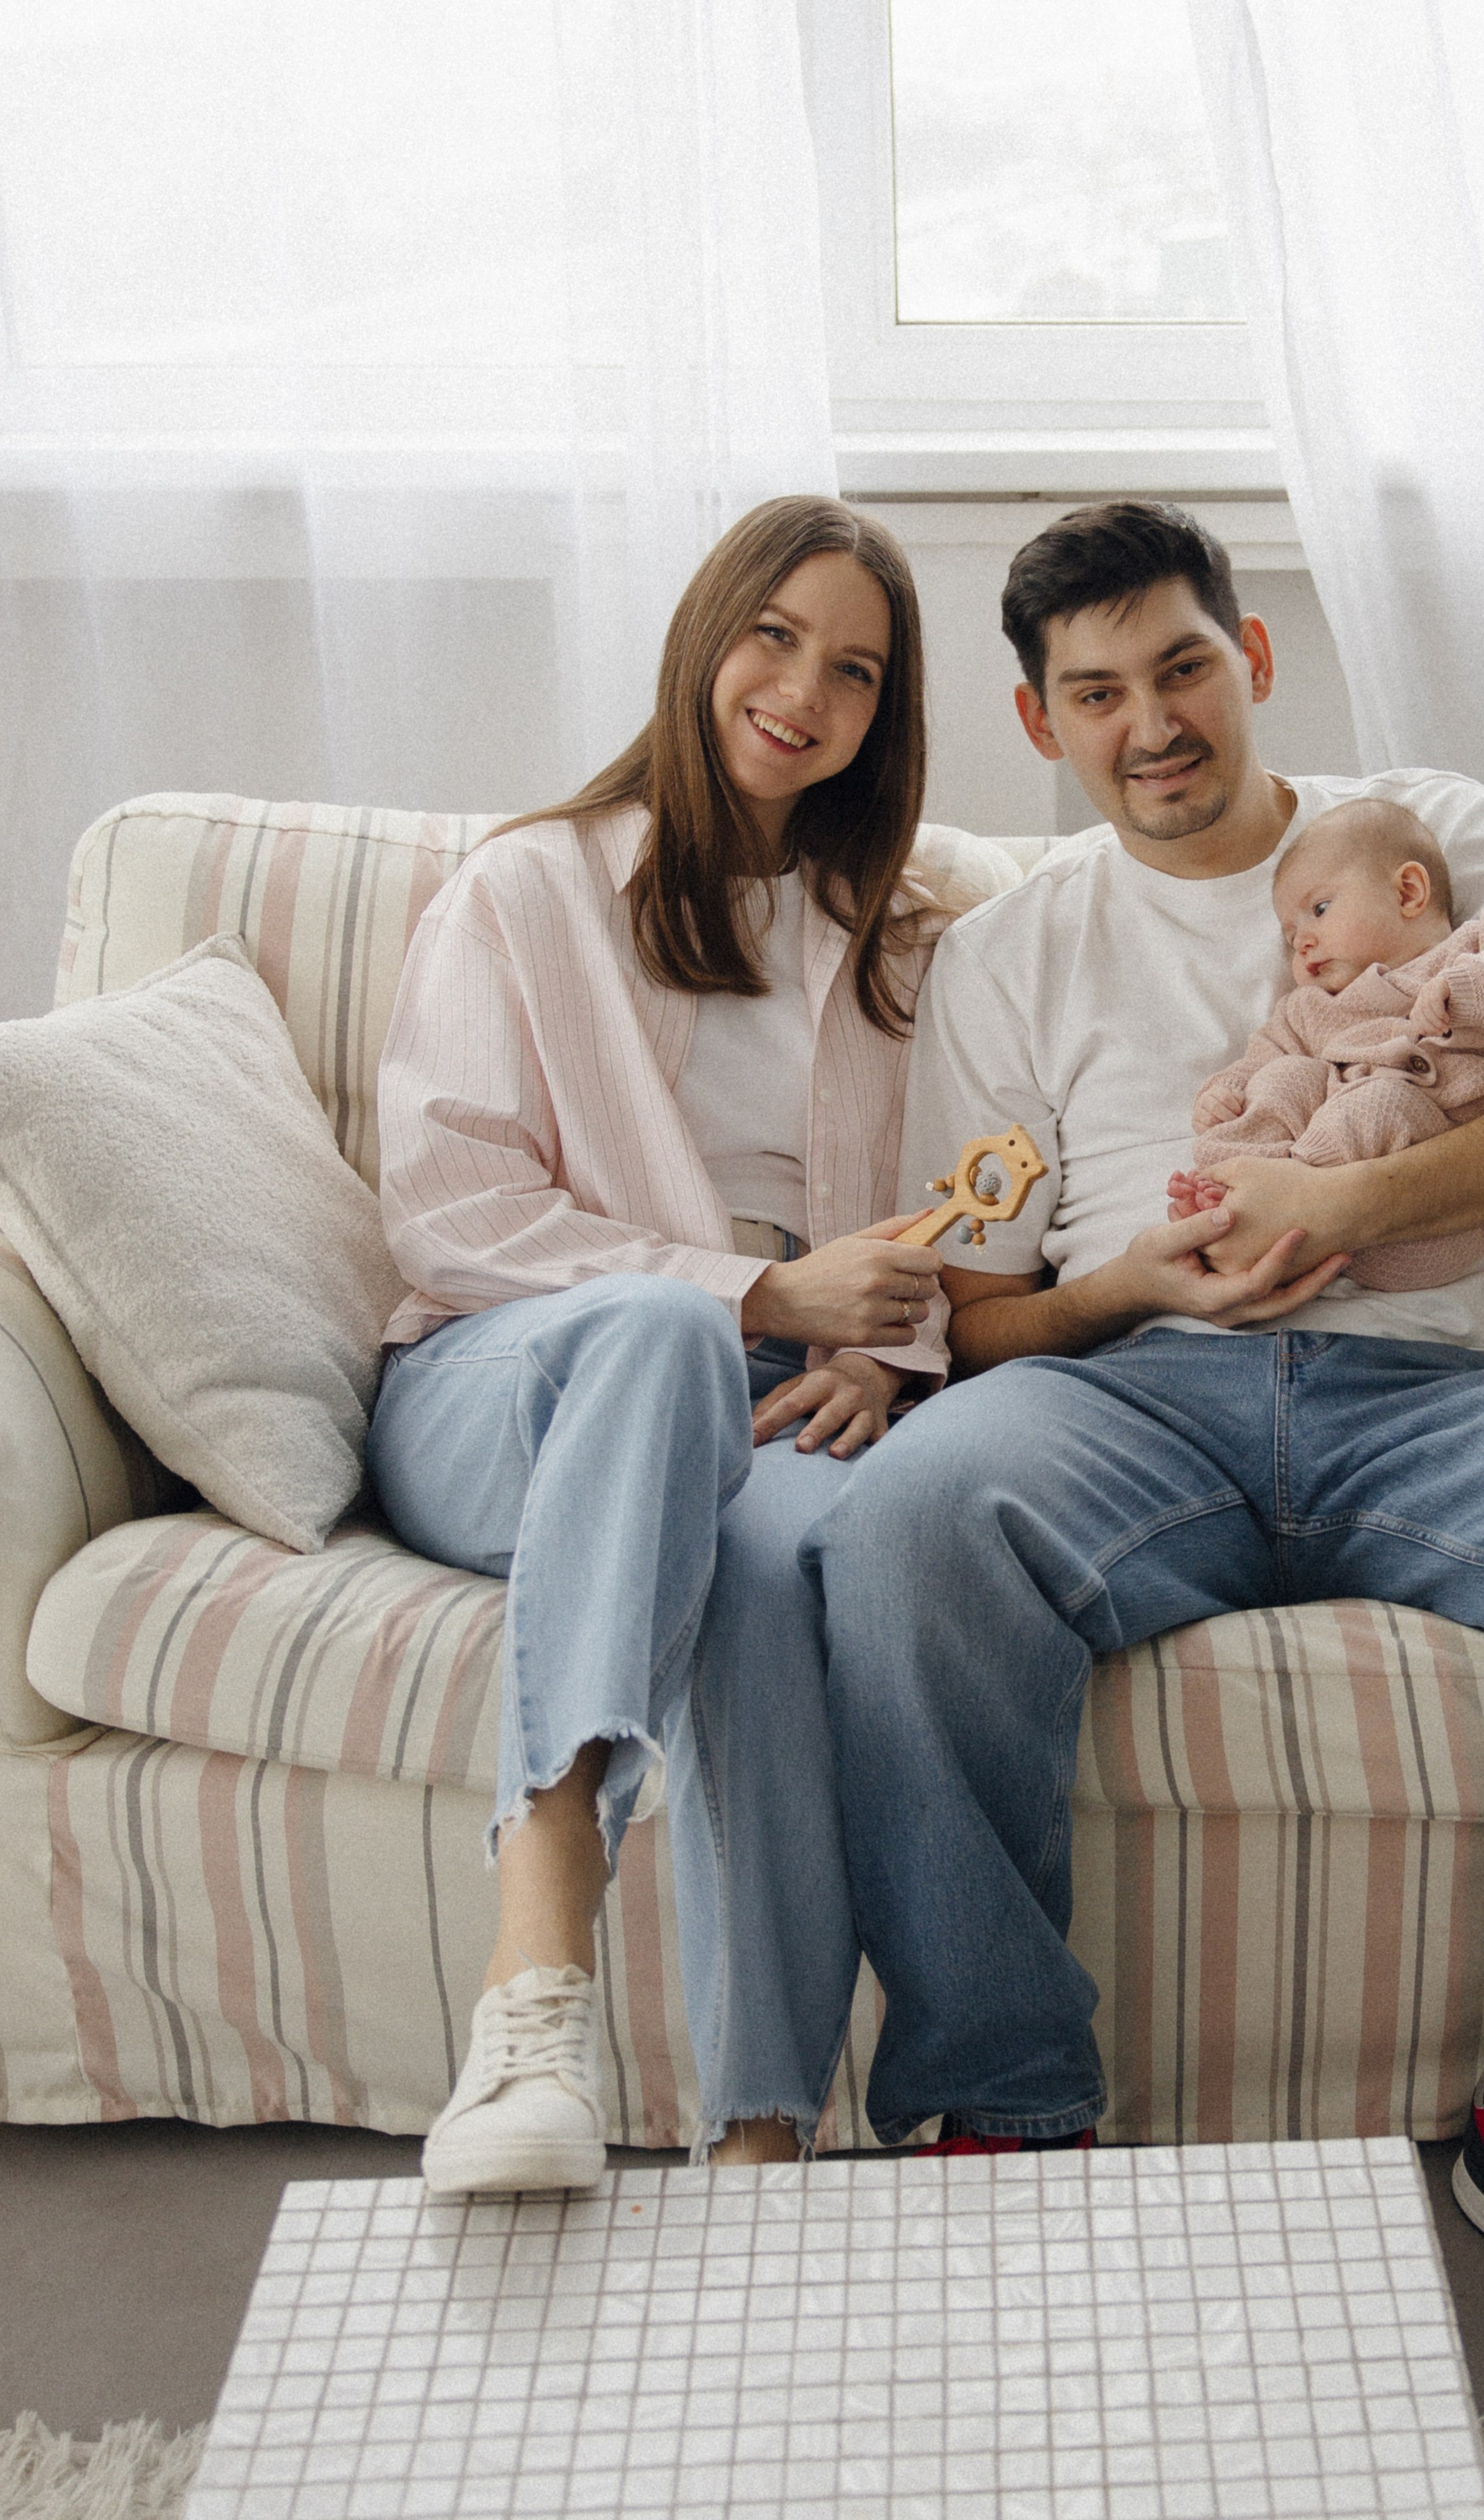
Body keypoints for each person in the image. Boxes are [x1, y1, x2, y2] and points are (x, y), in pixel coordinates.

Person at [804, 500, 1484, 2417]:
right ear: (1040, 727)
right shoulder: (1011, 951)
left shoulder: (1442, 841)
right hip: (1130, 1396)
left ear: (1251, 659)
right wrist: (1133, 1273)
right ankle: (1004, 2114)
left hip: (1441, 1394)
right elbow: (978, 1316)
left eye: (1182, 665)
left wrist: (1335, 1188)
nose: (1151, 721)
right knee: (908, 1516)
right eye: (1094, 693)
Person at [368, 495, 953, 2194]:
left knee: (764, 1582)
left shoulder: (901, 940)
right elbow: (453, 1212)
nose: (801, 691)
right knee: (650, 1336)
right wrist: (755, 1297)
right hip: (506, 1385)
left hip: (775, 1405)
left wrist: (883, 1357)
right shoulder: (528, 886)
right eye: (772, 635)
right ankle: (532, 1985)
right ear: (704, 634)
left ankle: (759, 2138)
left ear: (878, 718)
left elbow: (956, 1217)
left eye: (851, 670)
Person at [1168, 793, 1484, 1296]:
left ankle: (1274, 1216)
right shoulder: (1314, 1008)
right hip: (1341, 1216)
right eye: (1291, 936)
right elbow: (1264, 1055)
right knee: (1284, 1077)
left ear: (1409, 892)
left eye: (1320, 910)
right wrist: (1227, 1088)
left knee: (1380, 1104)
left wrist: (1472, 986)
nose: (1302, 941)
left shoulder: (1482, 943)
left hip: (1433, 1214)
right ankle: (1225, 1186)